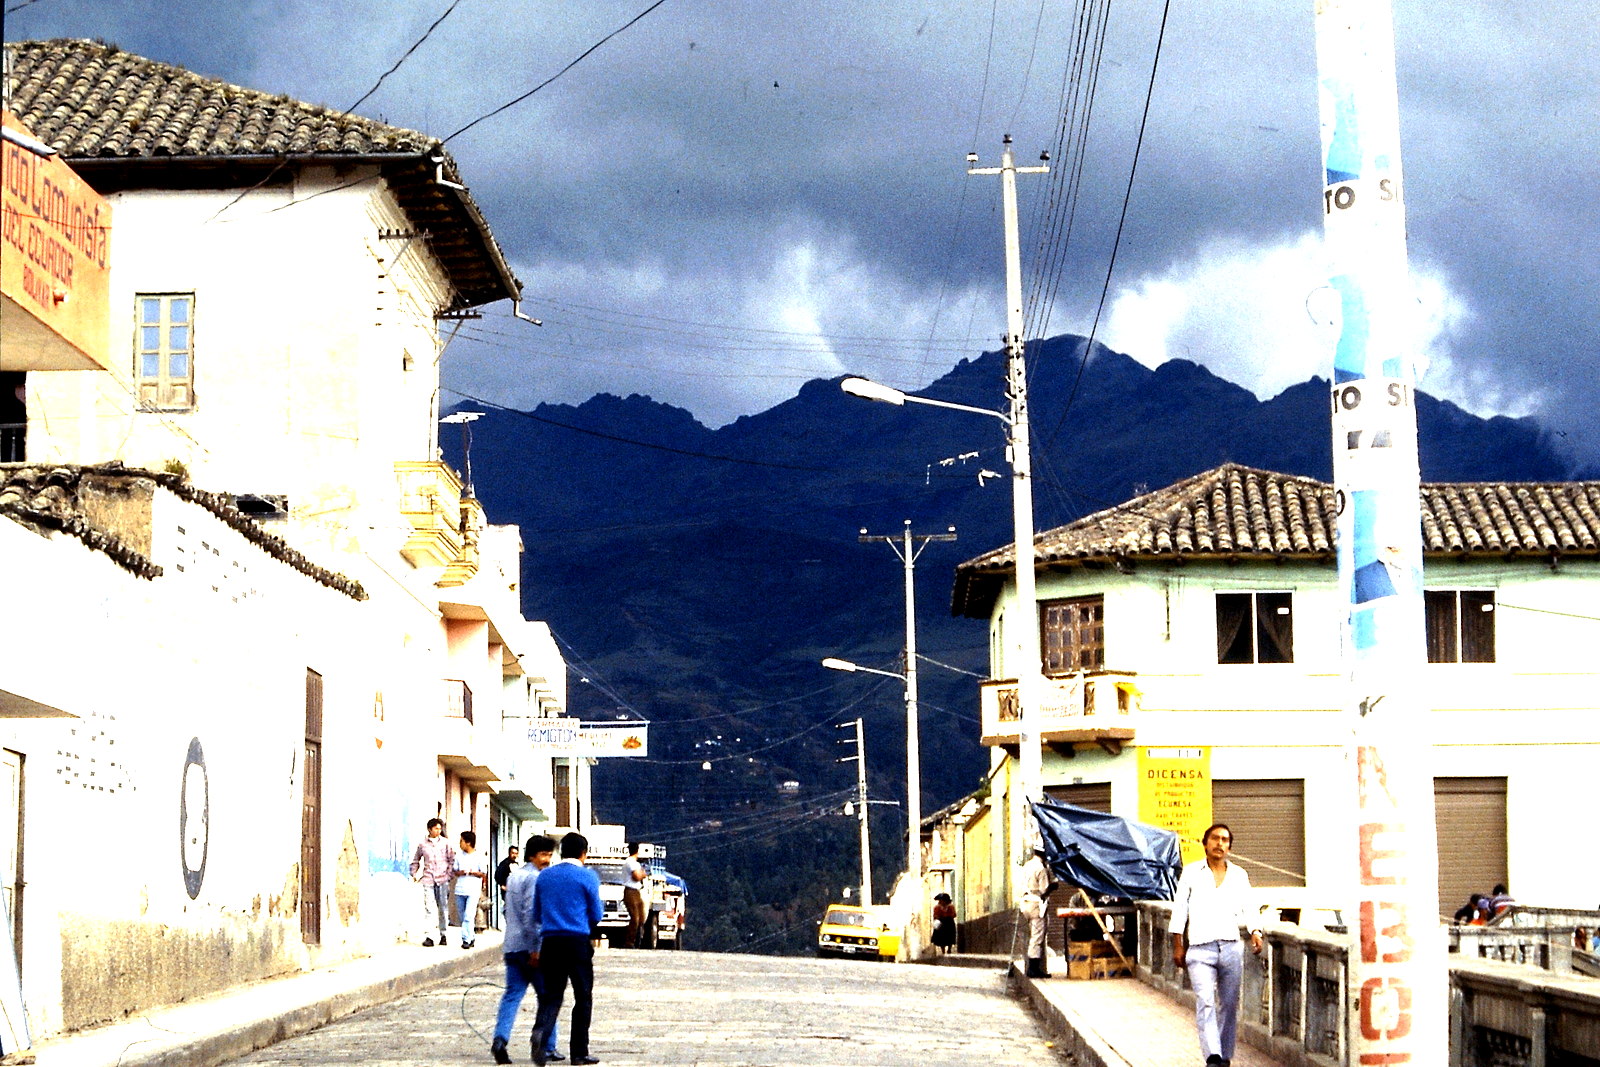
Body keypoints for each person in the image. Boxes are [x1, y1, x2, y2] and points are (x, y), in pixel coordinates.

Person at [1171, 823, 1264, 1067]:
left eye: (1224, 840)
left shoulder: (1239, 875)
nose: (1219, 843)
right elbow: (1180, 910)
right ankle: (1212, 1056)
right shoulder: (1191, 873)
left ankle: (1224, 1056)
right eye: (1215, 838)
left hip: (1231, 947)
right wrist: (1177, 944)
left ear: (1229, 847)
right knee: (1206, 1000)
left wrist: (1255, 931)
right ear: (1205, 843)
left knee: (1229, 1004)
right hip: (1200, 950)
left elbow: (1249, 906)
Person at [529, 832, 603, 1067]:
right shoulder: (588, 876)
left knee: (551, 996)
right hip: (577, 942)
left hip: (551, 942)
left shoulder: (545, 876)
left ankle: (541, 1031)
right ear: (584, 853)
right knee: (582, 996)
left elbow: (536, 914)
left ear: (561, 851)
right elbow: (597, 914)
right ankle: (579, 1053)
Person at [491, 835, 559, 1065]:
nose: (547, 860)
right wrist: (536, 949)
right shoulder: (535, 878)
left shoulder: (514, 876)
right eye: (544, 855)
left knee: (512, 995)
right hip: (532, 949)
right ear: (532, 855)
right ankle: (548, 1046)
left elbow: (507, 912)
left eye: (550, 855)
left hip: (511, 946)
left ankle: (500, 1039)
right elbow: (532, 917)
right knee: (548, 997)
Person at [409, 817, 456, 948]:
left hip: (443, 879)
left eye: (440, 828)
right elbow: (416, 860)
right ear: (429, 829)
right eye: (436, 828)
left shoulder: (446, 843)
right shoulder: (422, 844)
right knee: (429, 908)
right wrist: (414, 873)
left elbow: (452, 860)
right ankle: (429, 936)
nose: (438, 831)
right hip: (428, 878)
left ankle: (443, 934)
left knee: (443, 907)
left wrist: (449, 874)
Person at [1020, 850, 1053, 978]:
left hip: (1025, 903)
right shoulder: (1041, 868)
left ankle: (1034, 967)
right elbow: (1044, 890)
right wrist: (1053, 886)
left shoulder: (1027, 865)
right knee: (1037, 937)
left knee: (1032, 936)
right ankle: (1033, 969)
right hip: (1036, 905)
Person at [455, 830, 487, 948]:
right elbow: (455, 871)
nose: (460, 843)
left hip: (472, 890)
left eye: (461, 841)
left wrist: (473, 872)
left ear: (468, 843)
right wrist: (461, 872)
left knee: (469, 915)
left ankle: (466, 939)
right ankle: (471, 935)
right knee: (462, 915)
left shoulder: (479, 857)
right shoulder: (458, 856)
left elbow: (483, 872)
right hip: (460, 889)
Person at [622, 842, 648, 948]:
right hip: (631, 891)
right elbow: (637, 876)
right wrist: (643, 874)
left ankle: (639, 940)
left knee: (641, 917)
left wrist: (641, 873)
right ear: (637, 850)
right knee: (635, 918)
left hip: (637, 891)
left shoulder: (635, 863)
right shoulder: (631, 862)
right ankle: (630, 942)